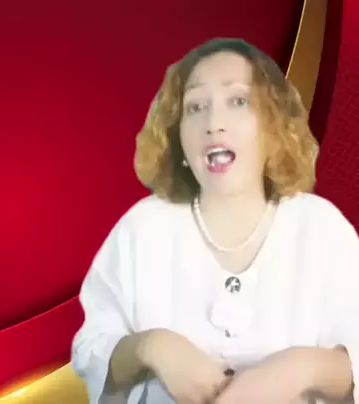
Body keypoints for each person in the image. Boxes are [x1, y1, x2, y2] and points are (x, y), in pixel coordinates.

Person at [71, 37, 359, 404]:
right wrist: (153, 347)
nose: (214, 123)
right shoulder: (141, 229)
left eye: (238, 101)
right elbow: (91, 350)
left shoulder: (322, 229)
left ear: (273, 128)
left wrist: (303, 369)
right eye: (195, 107)